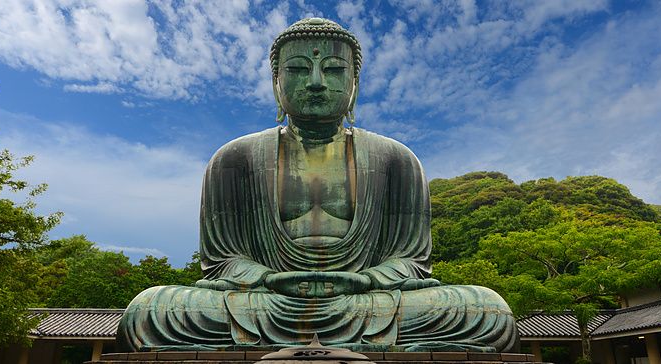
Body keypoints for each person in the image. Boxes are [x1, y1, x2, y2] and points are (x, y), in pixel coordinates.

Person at [118, 17, 517, 353]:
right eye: (296, 70)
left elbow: (412, 261)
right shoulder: (234, 158)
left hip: (367, 300)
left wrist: (367, 280)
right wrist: (266, 278)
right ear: (276, 82)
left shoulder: (396, 158)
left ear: (354, 82)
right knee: (150, 310)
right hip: (265, 301)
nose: (314, 82)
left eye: (333, 70)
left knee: (484, 310)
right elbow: (221, 261)